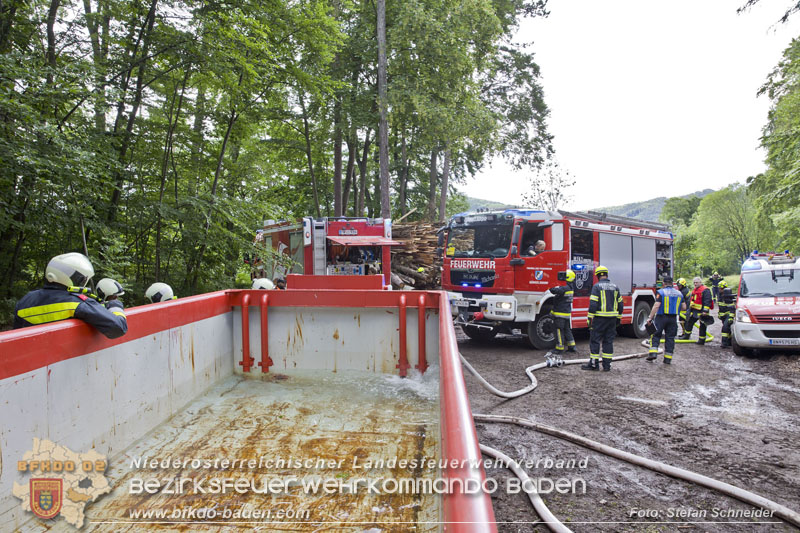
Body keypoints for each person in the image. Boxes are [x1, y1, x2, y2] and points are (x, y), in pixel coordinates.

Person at [13, 252, 128, 339]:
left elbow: (16, 335)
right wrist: (115, 305)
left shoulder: (26, 300)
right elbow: (119, 327)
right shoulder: (78, 304)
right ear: (74, 279)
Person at [581, 265, 623, 371]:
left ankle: (594, 364)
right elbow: (621, 304)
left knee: (595, 340)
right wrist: (618, 317)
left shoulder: (596, 287)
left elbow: (593, 305)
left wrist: (589, 318)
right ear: (606, 274)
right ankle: (607, 365)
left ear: (598, 275)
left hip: (599, 319)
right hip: (612, 319)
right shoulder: (615, 287)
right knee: (608, 341)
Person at [645, 276, 686, 364]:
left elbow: (656, 306)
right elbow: (684, 307)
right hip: (673, 319)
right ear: (672, 283)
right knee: (670, 338)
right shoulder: (679, 293)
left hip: (661, 317)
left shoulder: (661, 292)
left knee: (655, 335)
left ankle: (653, 354)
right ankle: (667, 359)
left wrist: (650, 318)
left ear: (663, 283)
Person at [547, 270, 577, 360]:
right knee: (567, 330)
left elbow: (554, 291)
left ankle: (559, 348)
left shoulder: (565, 288)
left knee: (559, 330)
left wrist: (549, 286)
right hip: (566, 313)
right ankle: (572, 346)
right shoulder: (570, 288)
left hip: (560, 314)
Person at [680, 276, 713, 345]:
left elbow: (707, 301)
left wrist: (705, 311)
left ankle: (701, 340)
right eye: (694, 282)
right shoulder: (695, 290)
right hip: (695, 310)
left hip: (702, 311)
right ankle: (686, 336)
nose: (695, 284)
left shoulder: (705, 290)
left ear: (700, 282)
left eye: (697, 282)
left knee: (702, 326)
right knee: (689, 322)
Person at [717, 279, 735, 348]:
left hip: (728, 315)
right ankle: (729, 342)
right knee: (728, 329)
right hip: (723, 316)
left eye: (721, 288)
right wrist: (719, 314)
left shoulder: (728, 296)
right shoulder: (719, 295)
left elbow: (732, 308)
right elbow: (720, 306)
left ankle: (724, 343)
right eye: (719, 288)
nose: (720, 290)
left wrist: (731, 317)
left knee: (725, 328)